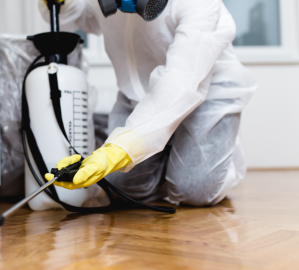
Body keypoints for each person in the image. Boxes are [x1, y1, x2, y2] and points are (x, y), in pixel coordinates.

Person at [40, 0, 257, 206]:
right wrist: (64, 4)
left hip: (207, 92)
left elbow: (181, 81)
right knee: (121, 191)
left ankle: (217, 147)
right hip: (137, 96)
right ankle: (164, 145)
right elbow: (81, 15)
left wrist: (118, 150)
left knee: (194, 190)